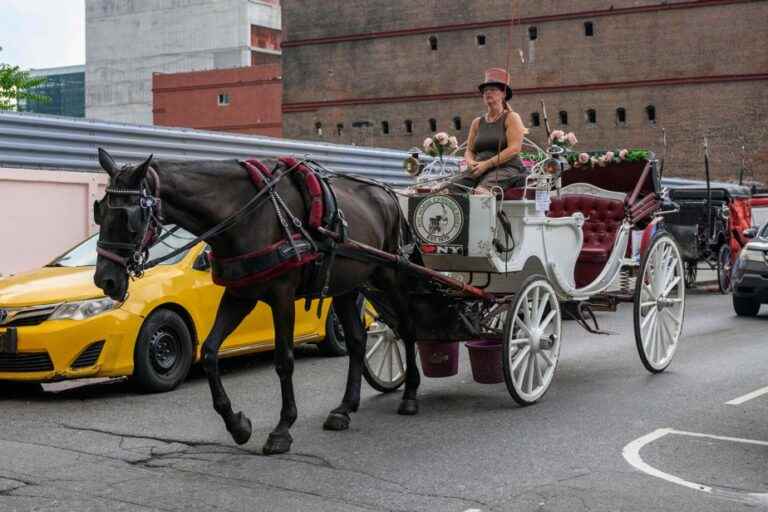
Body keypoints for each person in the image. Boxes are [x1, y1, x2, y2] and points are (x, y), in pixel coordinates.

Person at [447, 68, 529, 195]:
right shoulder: (477, 122)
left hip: (507, 168)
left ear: (504, 94)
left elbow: (514, 149)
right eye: (485, 90)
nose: (487, 93)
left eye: (493, 90)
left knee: (481, 192)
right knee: (449, 188)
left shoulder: (512, 117)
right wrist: (470, 162)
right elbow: (470, 150)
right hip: (480, 167)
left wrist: (487, 164)